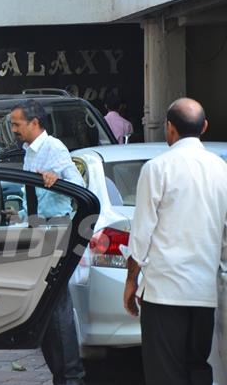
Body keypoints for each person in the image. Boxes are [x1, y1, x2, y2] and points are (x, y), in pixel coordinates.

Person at [123, 98, 227, 385]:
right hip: (205, 290)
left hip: (164, 291)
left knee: (165, 373)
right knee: (199, 368)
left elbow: (141, 234)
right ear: (204, 126)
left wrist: (131, 281)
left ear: (169, 128)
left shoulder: (157, 168)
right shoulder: (222, 170)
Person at [10, 100, 85, 385]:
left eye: (17, 124)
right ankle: (61, 373)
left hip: (56, 230)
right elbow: (37, 196)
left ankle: (71, 374)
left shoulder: (53, 148)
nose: (14, 129)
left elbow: (79, 187)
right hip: (38, 229)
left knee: (57, 304)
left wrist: (58, 178)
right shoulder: (29, 152)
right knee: (46, 306)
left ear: (35, 123)